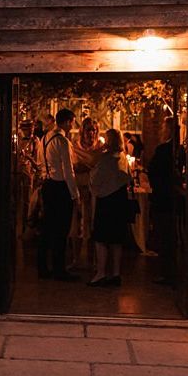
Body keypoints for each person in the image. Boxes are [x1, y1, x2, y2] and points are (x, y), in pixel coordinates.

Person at [37, 108, 80, 281]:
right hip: (60, 187)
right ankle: (59, 269)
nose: (73, 125)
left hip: (48, 184)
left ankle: (42, 266)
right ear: (68, 121)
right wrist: (74, 194)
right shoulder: (62, 141)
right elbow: (68, 170)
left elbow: (41, 162)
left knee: (47, 228)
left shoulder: (45, 138)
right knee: (61, 230)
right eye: (73, 122)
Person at [88, 128, 132, 287]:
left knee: (101, 238)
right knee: (116, 239)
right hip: (119, 200)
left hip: (106, 201)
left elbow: (96, 178)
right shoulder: (123, 158)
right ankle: (115, 273)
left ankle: (101, 273)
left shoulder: (106, 159)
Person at [147, 116, 184, 286]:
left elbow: (153, 171)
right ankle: (173, 270)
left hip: (164, 197)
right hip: (172, 196)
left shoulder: (164, 150)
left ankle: (168, 272)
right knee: (172, 235)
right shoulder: (180, 150)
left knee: (165, 235)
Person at [70, 117, 102, 267]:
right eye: (89, 129)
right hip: (77, 189)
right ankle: (75, 259)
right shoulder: (74, 146)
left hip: (93, 191)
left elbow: (99, 168)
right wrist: (87, 167)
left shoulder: (100, 147)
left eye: (94, 130)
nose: (92, 133)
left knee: (92, 225)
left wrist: (87, 166)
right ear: (83, 131)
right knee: (75, 225)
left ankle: (92, 260)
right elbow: (74, 167)